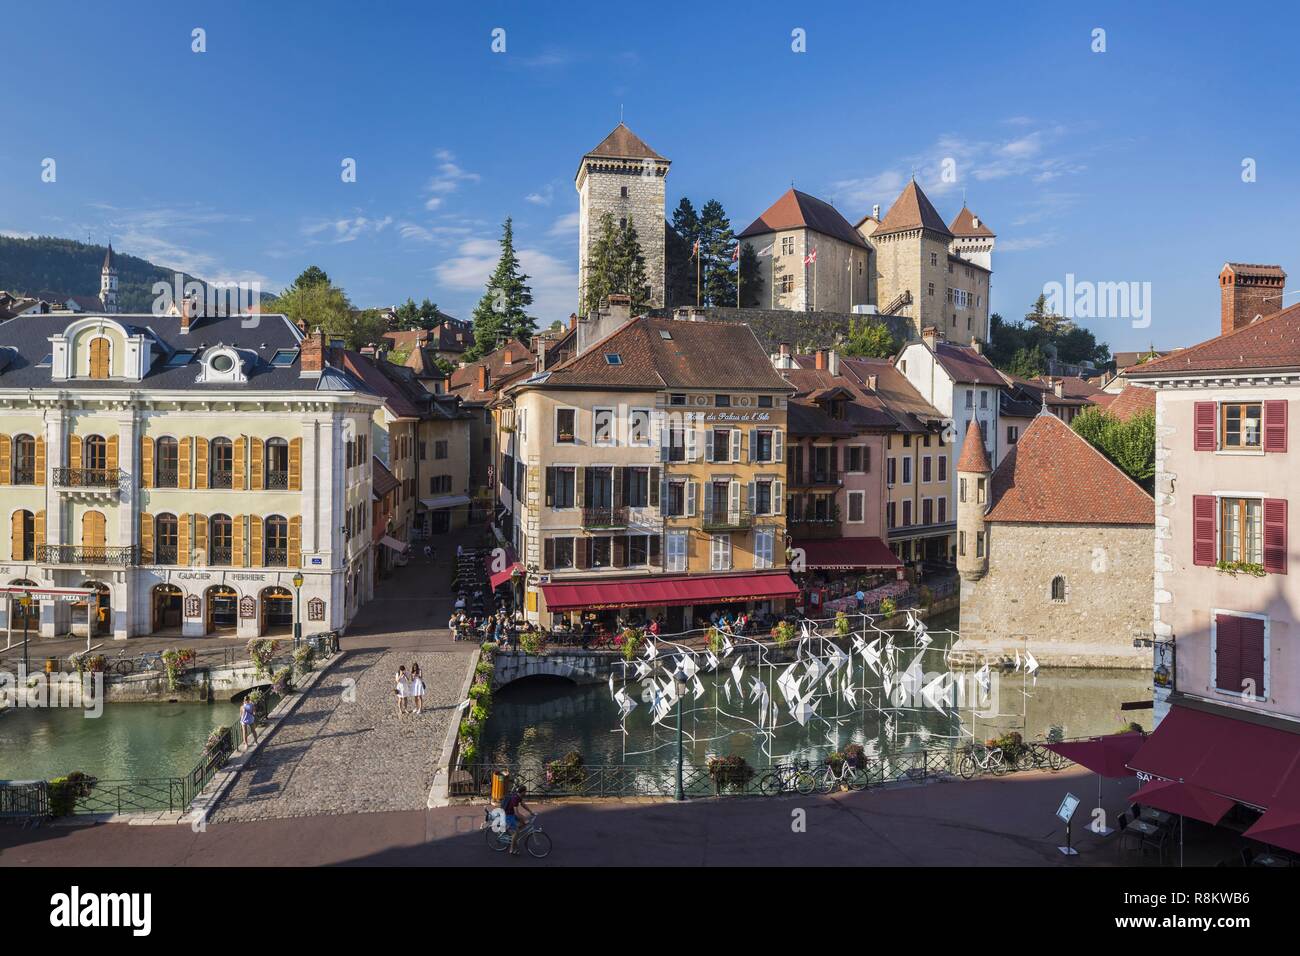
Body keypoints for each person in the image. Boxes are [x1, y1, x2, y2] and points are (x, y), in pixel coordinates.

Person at [501, 784, 533, 856]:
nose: (526, 793)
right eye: (525, 792)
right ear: (522, 792)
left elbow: (523, 805)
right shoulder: (515, 799)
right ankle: (511, 849)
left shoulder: (518, 796)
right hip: (508, 815)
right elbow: (517, 813)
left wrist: (530, 812)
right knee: (516, 832)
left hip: (512, 814)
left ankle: (514, 834)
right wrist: (523, 818)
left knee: (523, 822)